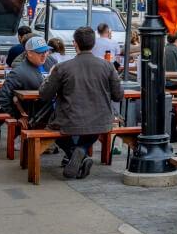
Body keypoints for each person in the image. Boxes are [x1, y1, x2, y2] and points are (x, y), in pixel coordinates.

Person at [37, 26, 123, 179]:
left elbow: (45, 95)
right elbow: (118, 95)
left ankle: (75, 152)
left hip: (68, 120)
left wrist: (48, 78)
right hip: (101, 120)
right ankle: (81, 150)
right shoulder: (108, 67)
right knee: (92, 131)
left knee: (54, 129)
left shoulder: (62, 68)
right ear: (94, 43)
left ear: (75, 44)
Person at [0, 36, 51, 119]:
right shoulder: (18, 72)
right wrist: (19, 116)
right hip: (37, 118)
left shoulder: (51, 63)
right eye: (40, 52)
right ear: (29, 53)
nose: (44, 55)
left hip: (55, 115)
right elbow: (3, 97)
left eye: (46, 51)